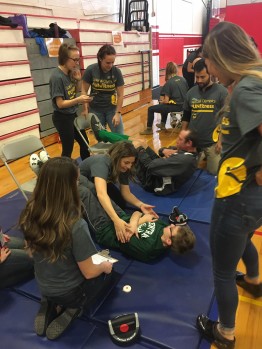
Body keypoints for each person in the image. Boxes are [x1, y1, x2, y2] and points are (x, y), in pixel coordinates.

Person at [196, 22, 262, 349]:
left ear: (220, 58)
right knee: (246, 237)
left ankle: (225, 333)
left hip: (237, 196)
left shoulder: (248, 87)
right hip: (252, 200)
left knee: (221, 271)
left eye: (207, 61)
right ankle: (253, 279)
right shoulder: (252, 79)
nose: (206, 68)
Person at [19, 157, 114, 340]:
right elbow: (89, 272)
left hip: (44, 284)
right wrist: (104, 266)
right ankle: (72, 308)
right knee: (108, 272)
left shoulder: (30, 213)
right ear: (68, 187)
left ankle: (49, 301)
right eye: (77, 181)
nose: (79, 184)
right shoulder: (74, 224)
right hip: (71, 293)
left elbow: (29, 250)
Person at [78, 184, 196, 262]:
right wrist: (136, 223)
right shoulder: (164, 229)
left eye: (172, 228)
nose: (170, 224)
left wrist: (138, 221)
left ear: (169, 241)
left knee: (83, 192)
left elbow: (124, 233)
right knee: (93, 187)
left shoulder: (148, 249)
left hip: (105, 228)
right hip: (121, 216)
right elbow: (137, 214)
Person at [90, 114, 198, 195]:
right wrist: (163, 151)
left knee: (132, 146)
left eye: (180, 139)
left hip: (153, 182)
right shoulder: (185, 151)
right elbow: (161, 151)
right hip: (157, 172)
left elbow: (151, 166)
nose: (177, 142)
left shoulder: (184, 160)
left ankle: (102, 134)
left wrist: (139, 150)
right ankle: (103, 134)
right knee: (141, 142)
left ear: (189, 143)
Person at [79, 141, 159, 244]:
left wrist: (141, 205)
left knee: (120, 203)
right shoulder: (102, 162)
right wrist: (116, 220)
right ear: (117, 158)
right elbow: (101, 193)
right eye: (126, 162)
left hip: (96, 183)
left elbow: (126, 193)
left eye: (131, 163)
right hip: (79, 185)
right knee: (102, 206)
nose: (129, 166)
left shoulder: (123, 167)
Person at [182, 58, 228, 175]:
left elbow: (226, 119)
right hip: (194, 142)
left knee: (214, 173)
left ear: (210, 75)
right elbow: (186, 116)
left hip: (212, 142)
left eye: (203, 77)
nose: (199, 80)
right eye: (197, 77)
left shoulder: (222, 92)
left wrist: (221, 141)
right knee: (187, 171)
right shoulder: (191, 93)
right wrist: (183, 135)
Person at [49, 43, 92, 160]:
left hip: (72, 114)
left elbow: (77, 89)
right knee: (68, 149)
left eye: (79, 59)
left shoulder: (70, 72)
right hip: (62, 117)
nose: (77, 63)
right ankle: (64, 175)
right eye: (75, 60)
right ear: (64, 59)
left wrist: (78, 80)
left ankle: (86, 167)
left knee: (85, 143)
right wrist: (78, 100)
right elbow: (60, 104)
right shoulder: (57, 77)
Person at [81, 44, 125, 134]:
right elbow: (84, 91)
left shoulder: (116, 72)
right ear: (100, 59)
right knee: (101, 138)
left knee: (120, 137)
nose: (110, 65)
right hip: (95, 109)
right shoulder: (91, 70)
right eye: (108, 63)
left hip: (112, 109)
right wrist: (85, 109)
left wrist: (118, 113)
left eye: (113, 62)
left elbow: (120, 95)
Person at [140, 62, 188, 135]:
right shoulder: (183, 79)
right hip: (185, 106)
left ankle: (149, 129)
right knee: (165, 106)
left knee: (151, 109)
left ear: (167, 71)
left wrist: (161, 101)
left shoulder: (169, 83)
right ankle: (162, 124)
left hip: (176, 107)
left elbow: (166, 101)